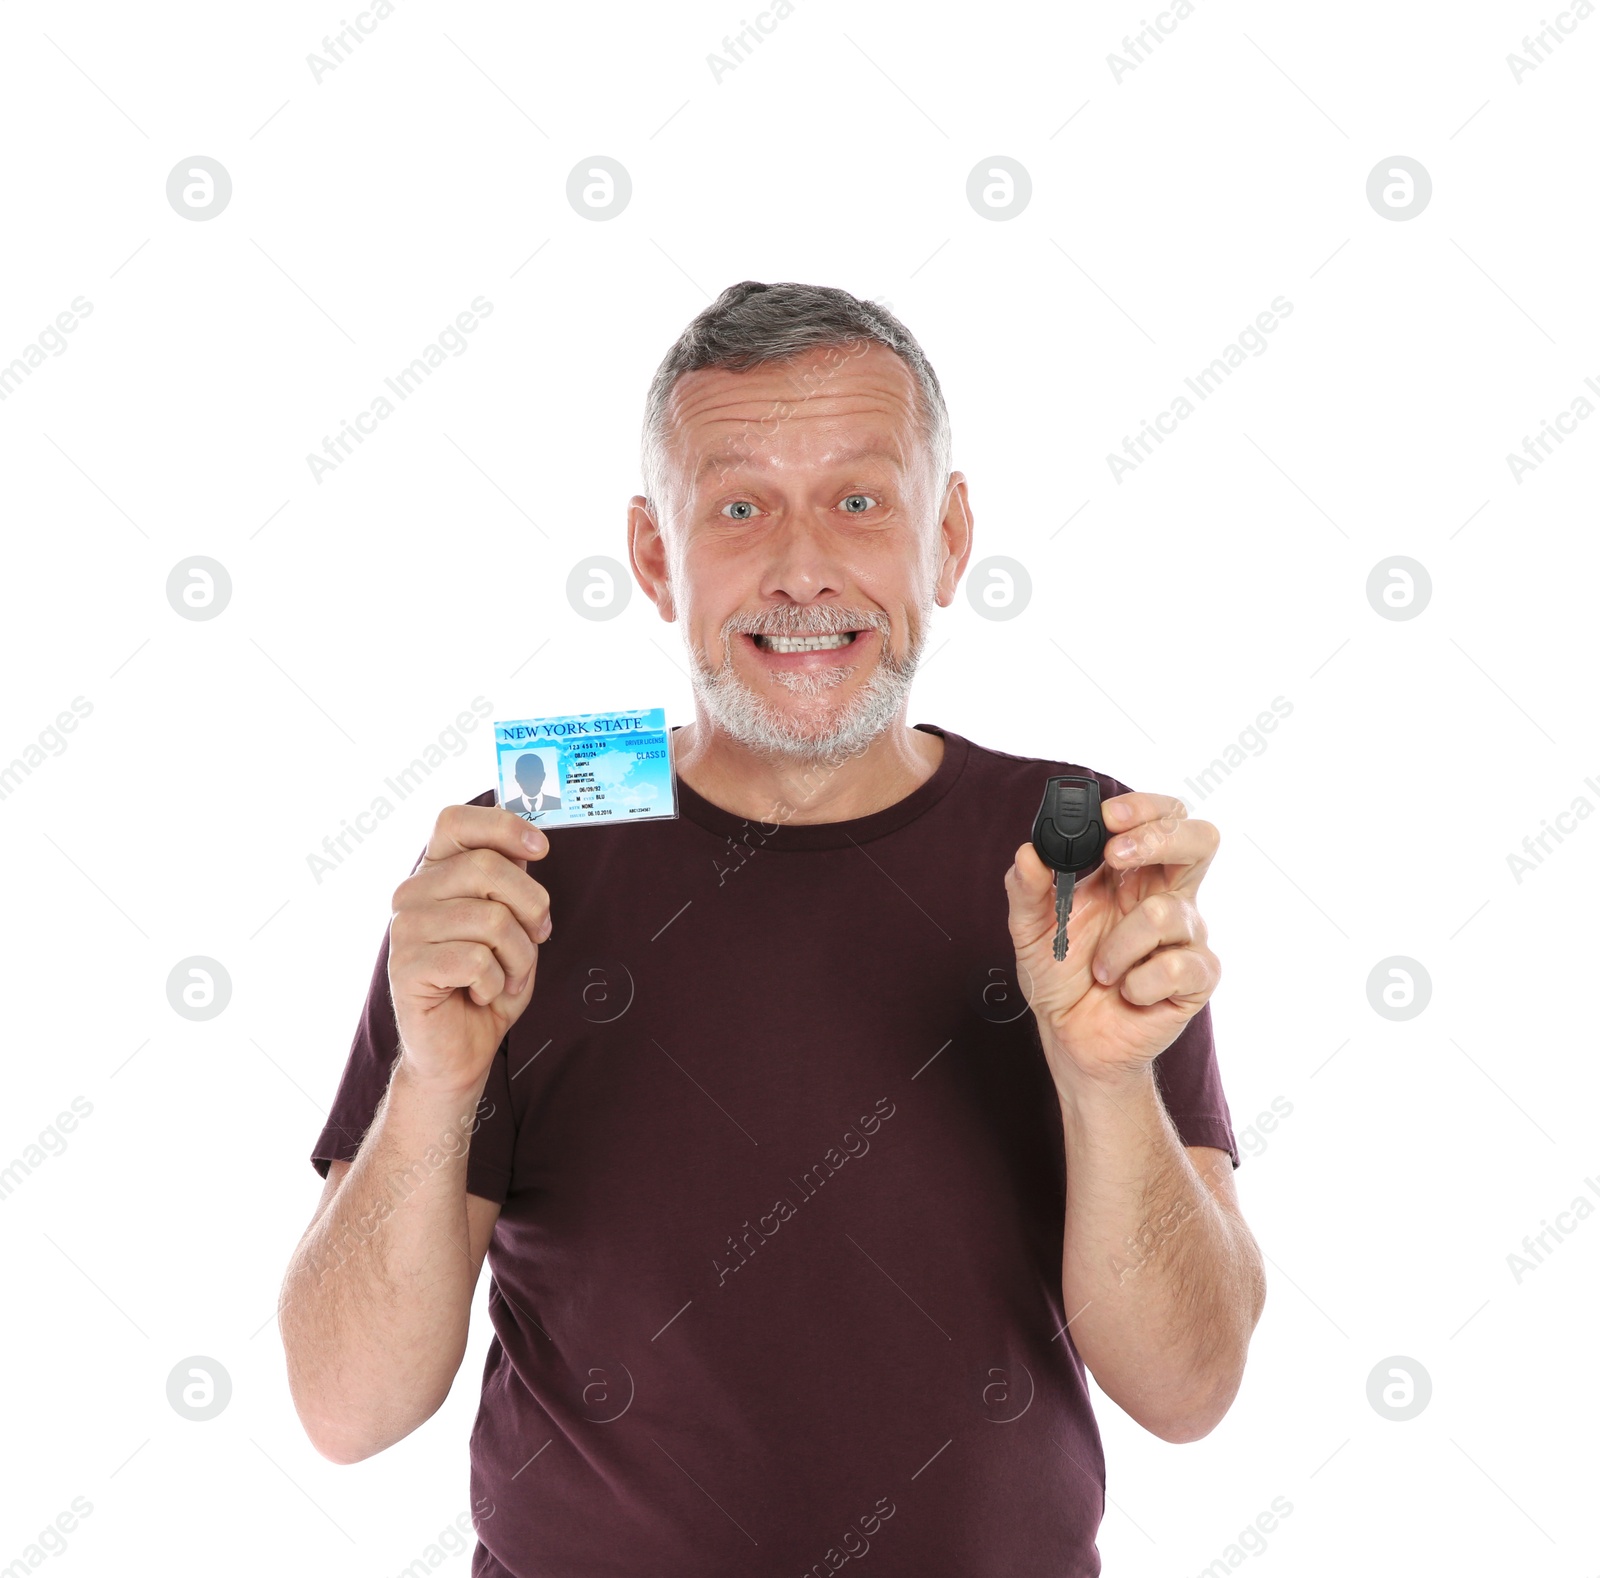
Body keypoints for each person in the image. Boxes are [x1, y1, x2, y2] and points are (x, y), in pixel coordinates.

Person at [281, 281, 1264, 1577]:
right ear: (653, 556)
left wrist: (1105, 1076)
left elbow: (1189, 1390)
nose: (803, 567)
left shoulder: (1070, 851)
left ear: (950, 537)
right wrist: (433, 1080)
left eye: (859, 500)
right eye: (738, 507)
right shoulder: (525, 843)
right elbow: (347, 1410)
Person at [501, 751, 561, 822]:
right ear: (517, 778)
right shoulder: (506, 809)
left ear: (543, 776)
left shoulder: (558, 803)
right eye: (524, 775)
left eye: (535, 774)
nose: (530, 780)